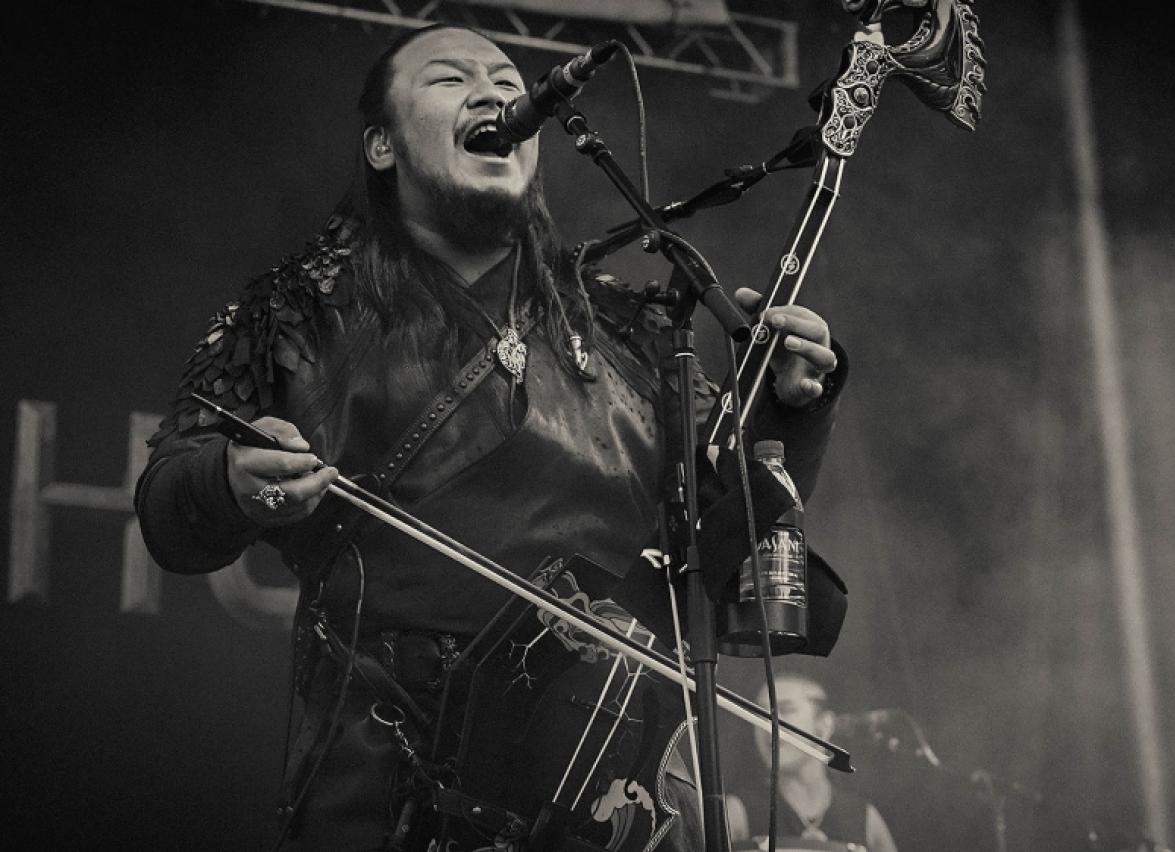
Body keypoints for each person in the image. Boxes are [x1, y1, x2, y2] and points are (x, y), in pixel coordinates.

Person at [135, 23, 846, 852]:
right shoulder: (297, 312)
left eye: (509, 81)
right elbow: (169, 509)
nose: (496, 94)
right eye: (450, 79)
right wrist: (230, 478)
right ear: (381, 145)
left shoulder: (630, 325)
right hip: (392, 781)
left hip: (607, 786)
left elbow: (728, 547)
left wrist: (789, 410)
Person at [727, 673, 897, 852]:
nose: (767, 724)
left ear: (824, 725)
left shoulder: (865, 818)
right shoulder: (736, 812)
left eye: (786, 710)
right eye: (760, 714)